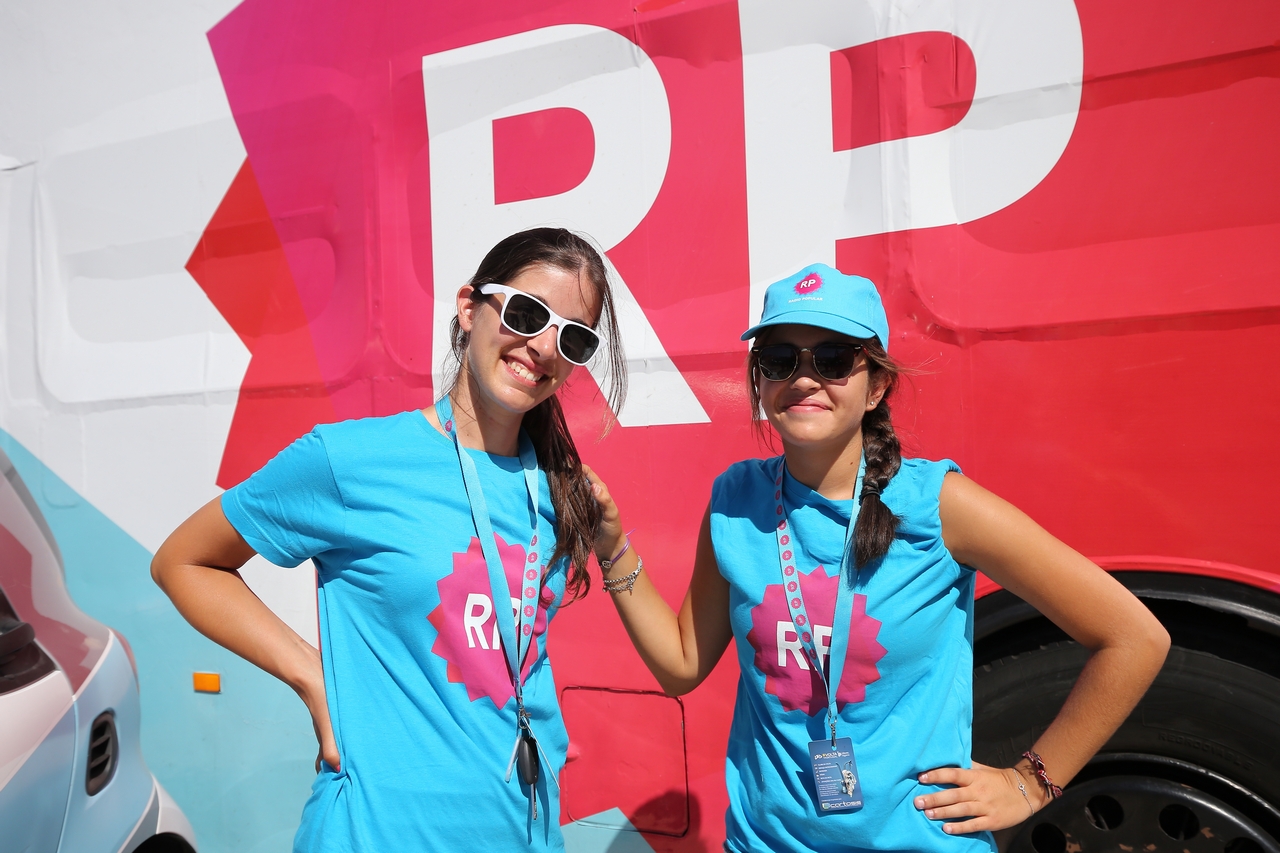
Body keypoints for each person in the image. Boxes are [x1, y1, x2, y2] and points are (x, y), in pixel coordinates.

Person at [585, 264, 1170, 852]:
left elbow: (1133, 638)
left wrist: (1031, 783)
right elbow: (682, 664)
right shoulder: (736, 500)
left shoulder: (941, 505)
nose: (804, 379)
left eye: (833, 359)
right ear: (760, 380)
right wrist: (612, 549)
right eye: (780, 359)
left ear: (877, 387)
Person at [152, 227, 627, 851]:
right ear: (469, 308)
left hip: (521, 831)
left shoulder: (559, 489)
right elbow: (184, 562)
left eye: (573, 337)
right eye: (526, 313)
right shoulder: (349, 460)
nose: (542, 347)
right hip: (374, 832)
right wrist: (312, 677)